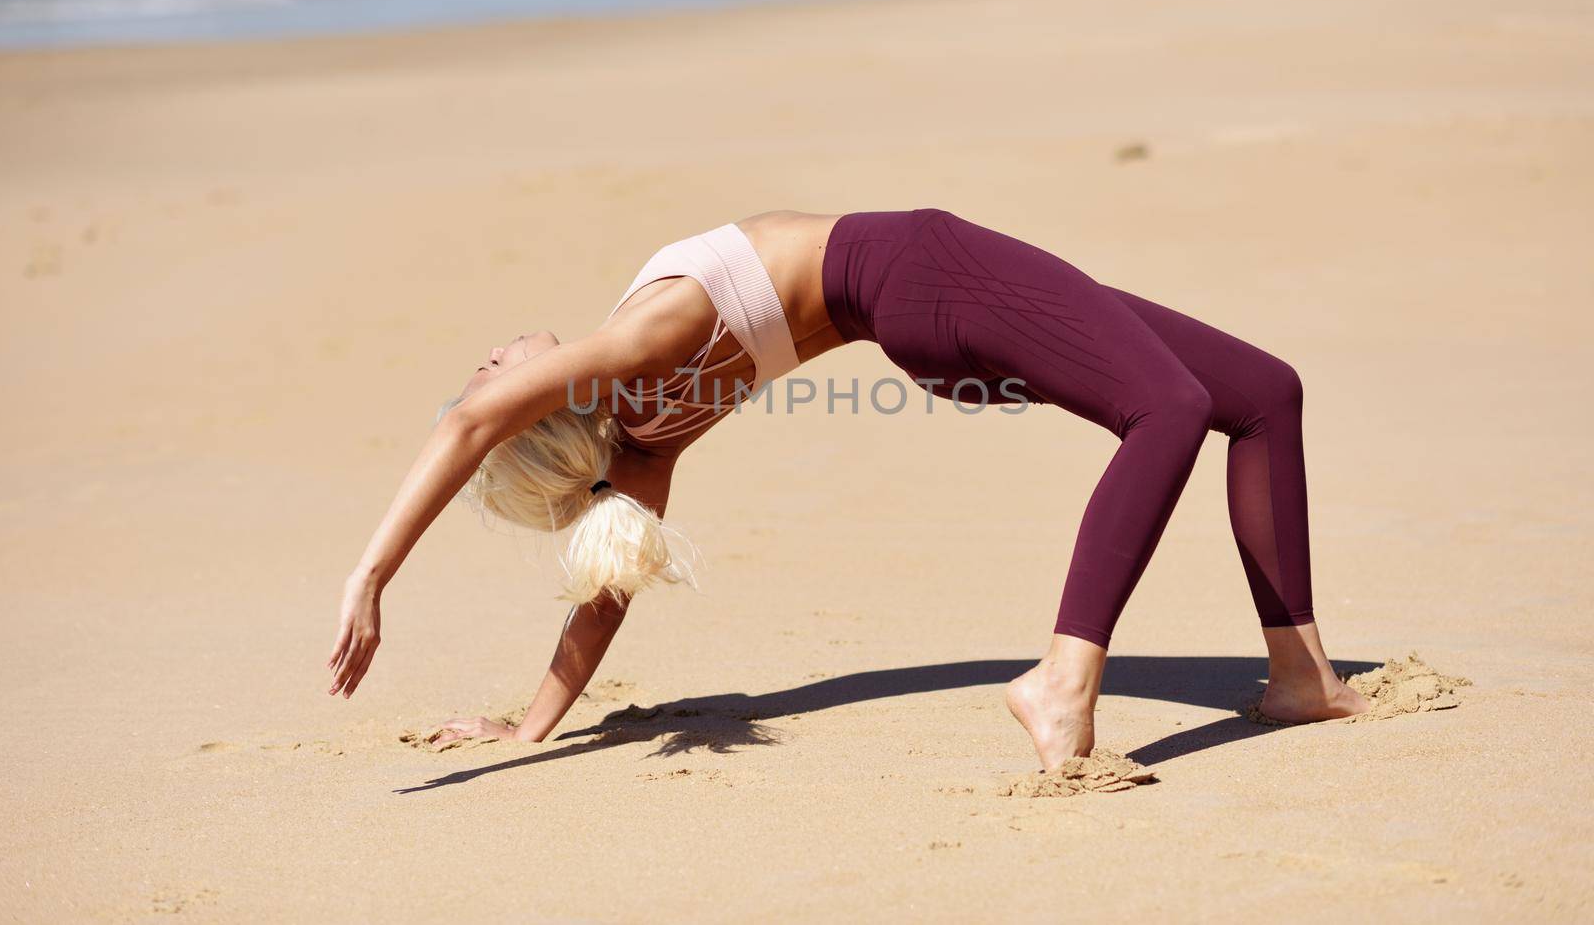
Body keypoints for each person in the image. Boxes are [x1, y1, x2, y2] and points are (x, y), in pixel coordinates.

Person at [327, 208, 1367, 769]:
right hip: (922, 272)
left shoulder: (645, 443)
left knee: (1260, 394)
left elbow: (602, 594)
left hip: (914, 323)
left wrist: (528, 729)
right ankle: (1063, 679)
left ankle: (1299, 676)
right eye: (491, 369)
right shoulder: (633, 345)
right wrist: (373, 574)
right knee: (1170, 411)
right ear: (531, 409)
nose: (491, 354)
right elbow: (469, 430)